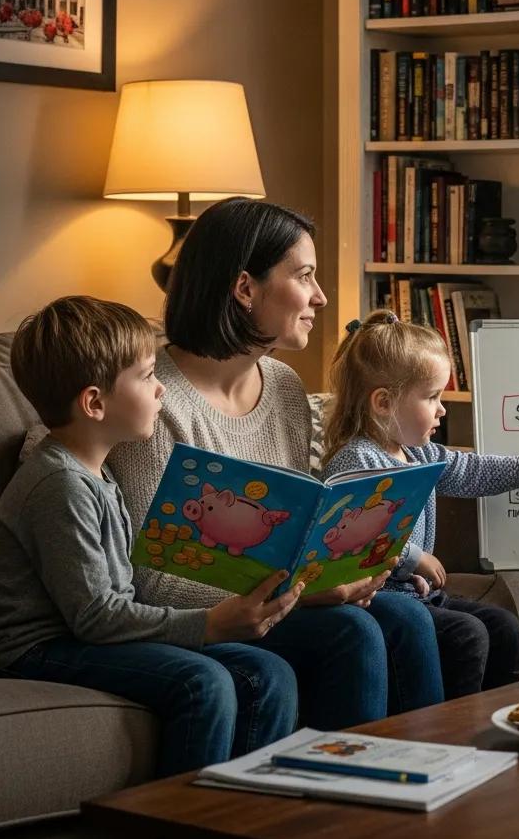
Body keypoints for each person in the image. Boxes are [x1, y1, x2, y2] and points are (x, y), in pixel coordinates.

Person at [108, 198, 444, 726]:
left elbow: (296, 527)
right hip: (205, 615)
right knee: (352, 630)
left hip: (283, 595)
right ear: (245, 289)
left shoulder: (283, 386)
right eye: (305, 276)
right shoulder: (153, 404)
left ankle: (428, 784)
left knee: (407, 615)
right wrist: (308, 593)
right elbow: (152, 577)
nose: (321, 296)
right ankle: (350, 796)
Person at [0, 297, 304, 777]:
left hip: (89, 636)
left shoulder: (97, 472)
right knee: (203, 682)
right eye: (145, 376)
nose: (161, 389)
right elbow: (96, 617)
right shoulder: (59, 485)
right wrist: (209, 624)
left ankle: (247, 813)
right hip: (40, 649)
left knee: (269, 672)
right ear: (95, 403)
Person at [321, 310, 519, 699]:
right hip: (380, 598)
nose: (442, 409)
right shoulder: (357, 460)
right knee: (466, 636)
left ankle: (510, 716)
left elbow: (470, 470)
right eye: (431, 397)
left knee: (503, 626)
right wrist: (413, 558)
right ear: (383, 402)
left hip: (418, 594)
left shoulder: (418, 453)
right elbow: (355, 534)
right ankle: (453, 732)